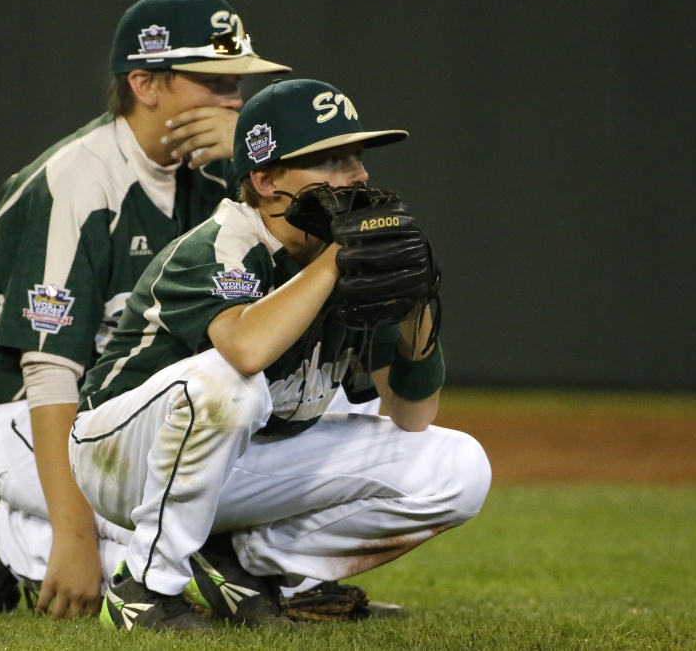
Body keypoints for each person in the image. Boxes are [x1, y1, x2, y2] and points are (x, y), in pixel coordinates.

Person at [69, 79, 492, 632]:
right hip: (120, 458)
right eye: (330, 160)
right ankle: (145, 587)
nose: (357, 176)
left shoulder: (344, 255)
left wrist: (414, 308)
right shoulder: (219, 245)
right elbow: (245, 350)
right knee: (228, 387)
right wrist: (338, 260)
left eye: (357, 158)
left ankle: (254, 567)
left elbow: (413, 414)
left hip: (233, 462)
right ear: (266, 181)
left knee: (458, 468)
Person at [0, 0, 290, 619]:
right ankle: (7, 526)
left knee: (224, 519)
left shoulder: (224, 175)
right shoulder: (77, 179)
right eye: (214, 81)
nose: (234, 97)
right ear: (146, 83)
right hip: (28, 413)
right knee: (155, 557)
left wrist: (250, 148)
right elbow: (49, 369)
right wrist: (73, 540)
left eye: (239, 80)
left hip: (135, 403)